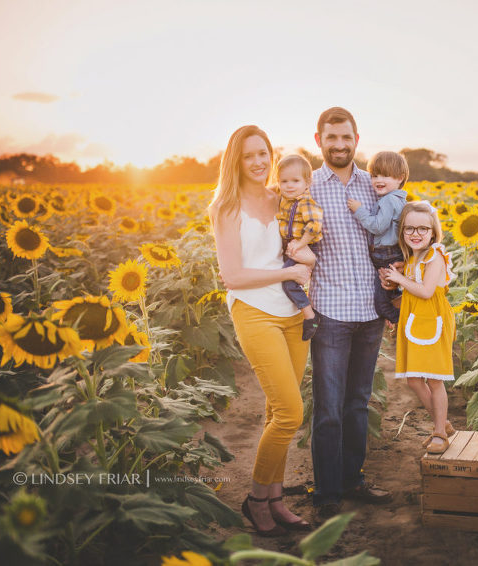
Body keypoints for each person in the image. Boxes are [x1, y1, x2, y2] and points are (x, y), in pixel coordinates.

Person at [208, 125, 313, 536]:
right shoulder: (226, 208)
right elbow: (232, 276)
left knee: (277, 411)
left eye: (263, 153)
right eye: (248, 155)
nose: (258, 162)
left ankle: (275, 499)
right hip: (254, 311)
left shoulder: (281, 197)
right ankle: (255, 499)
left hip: (291, 312)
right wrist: (289, 271)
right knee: (290, 412)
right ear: (235, 160)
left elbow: (308, 234)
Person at [308, 107, 391, 519]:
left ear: (356, 139)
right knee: (328, 407)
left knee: (358, 402)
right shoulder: (305, 187)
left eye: (346, 138)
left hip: (371, 311)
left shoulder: (375, 185)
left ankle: (352, 480)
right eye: (331, 138)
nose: (339, 145)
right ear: (318, 140)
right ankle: (326, 490)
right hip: (330, 313)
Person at [382, 201, 457, 454]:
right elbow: (410, 293)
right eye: (409, 228)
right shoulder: (413, 257)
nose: (416, 234)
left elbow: (425, 292)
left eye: (423, 229)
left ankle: (438, 432)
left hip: (434, 318)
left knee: (435, 380)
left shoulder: (435, 256)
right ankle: (443, 421)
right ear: (402, 232)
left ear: (433, 232)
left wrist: (400, 279)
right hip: (415, 320)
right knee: (414, 379)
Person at [347, 151, 409, 325]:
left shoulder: (389, 200)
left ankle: (404, 321)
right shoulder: (398, 199)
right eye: (374, 175)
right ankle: (402, 310)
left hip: (386, 256)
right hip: (391, 254)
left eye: (386, 175)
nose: (378, 180)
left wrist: (359, 210)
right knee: (391, 293)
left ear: (400, 178)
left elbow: (377, 226)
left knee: (381, 305)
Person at [275, 154, 323, 340]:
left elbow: (314, 226)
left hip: (306, 247)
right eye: (284, 181)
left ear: (307, 182)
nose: (289, 185)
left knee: (288, 281)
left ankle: (310, 316)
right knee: (289, 279)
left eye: (295, 180)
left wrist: (300, 245)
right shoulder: (285, 200)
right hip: (294, 246)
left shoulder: (306, 202)